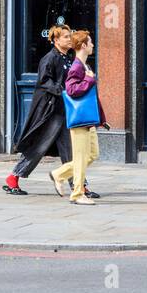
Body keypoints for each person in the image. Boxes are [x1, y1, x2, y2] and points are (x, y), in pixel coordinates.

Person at [4, 25, 74, 195]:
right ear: (56, 40)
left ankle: (79, 185)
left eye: (70, 36)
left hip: (64, 110)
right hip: (51, 112)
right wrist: (63, 91)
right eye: (65, 37)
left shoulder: (67, 58)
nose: (69, 39)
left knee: (70, 150)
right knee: (39, 147)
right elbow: (44, 82)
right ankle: (13, 178)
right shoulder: (49, 58)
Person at [51, 30, 105, 205]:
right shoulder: (76, 67)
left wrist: (102, 119)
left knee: (92, 154)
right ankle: (77, 194)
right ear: (83, 45)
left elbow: (92, 97)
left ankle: (59, 174)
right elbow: (72, 90)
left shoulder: (85, 66)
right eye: (90, 42)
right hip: (80, 120)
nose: (93, 45)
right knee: (81, 157)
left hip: (89, 119)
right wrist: (89, 81)